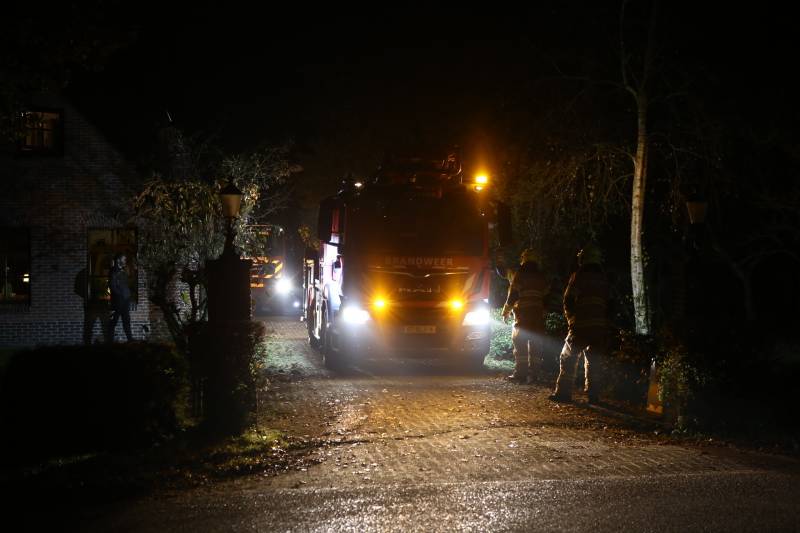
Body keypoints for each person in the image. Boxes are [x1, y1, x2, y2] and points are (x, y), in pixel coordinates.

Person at [550, 243, 609, 403]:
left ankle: (563, 393)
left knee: (567, 356)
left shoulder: (579, 276)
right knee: (594, 361)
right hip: (599, 327)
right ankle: (594, 396)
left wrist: (571, 319)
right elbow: (609, 303)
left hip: (581, 325)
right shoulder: (604, 278)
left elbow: (568, 299)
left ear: (583, 259)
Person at [501, 248, 547, 384]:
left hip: (523, 314)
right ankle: (534, 376)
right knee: (536, 344)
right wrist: (545, 310)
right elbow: (548, 295)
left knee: (520, 342)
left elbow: (513, 294)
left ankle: (520, 374)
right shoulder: (541, 276)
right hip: (538, 314)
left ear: (523, 259)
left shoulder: (520, 274)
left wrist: (506, 311)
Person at [108, 253, 134, 342]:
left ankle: (130, 340)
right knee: (113, 322)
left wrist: (128, 295)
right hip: (117, 301)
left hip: (126, 300)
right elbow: (112, 286)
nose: (125, 261)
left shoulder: (123, 271)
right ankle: (110, 343)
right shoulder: (113, 271)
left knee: (126, 321)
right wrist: (120, 295)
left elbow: (126, 284)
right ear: (118, 260)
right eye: (124, 259)